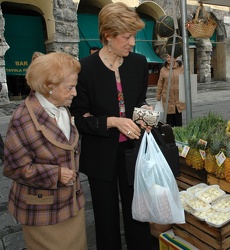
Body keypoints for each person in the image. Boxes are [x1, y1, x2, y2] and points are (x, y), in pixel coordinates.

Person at [69, 2, 154, 249]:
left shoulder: (138, 63)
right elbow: (77, 118)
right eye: (127, 37)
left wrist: (144, 111)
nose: (133, 42)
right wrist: (111, 122)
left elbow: (138, 100)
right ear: (108, 35)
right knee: (106, 218)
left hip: (132, 151)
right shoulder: (85, 69)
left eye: (134, 36)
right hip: (100, 155)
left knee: (138, 212)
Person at [2, 51, 86, 249]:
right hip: (44, 213)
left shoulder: (62, 107)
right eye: (70, 87)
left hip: (72, 206)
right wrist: (55, 173)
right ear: (49, 87)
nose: (74, 93)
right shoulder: (22, 118)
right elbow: (13, 169)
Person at [156, 54, 186, 126]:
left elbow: (188, 79)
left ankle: (179, 134)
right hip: (168, 97)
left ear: (175, 59)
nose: (169, 59)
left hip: (178, 96)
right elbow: (160, 83)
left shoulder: (182, 68)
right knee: (169, 119)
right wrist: (158, 95)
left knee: (178, 116)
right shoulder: (163, 70)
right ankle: (170, 135)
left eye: (170, 57)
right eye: (167, 57)